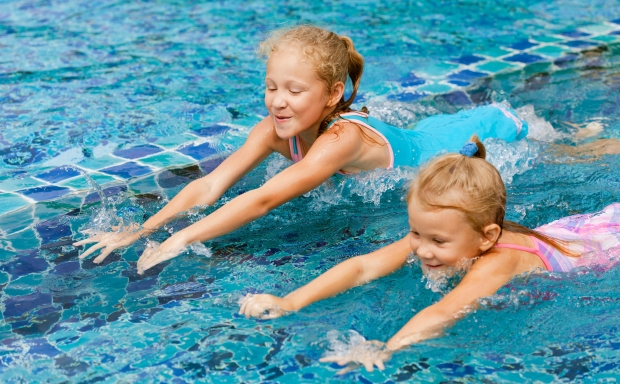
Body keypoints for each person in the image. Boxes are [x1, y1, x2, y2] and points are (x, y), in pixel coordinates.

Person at [74, 25, 528, 272]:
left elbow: (265, 198)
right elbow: (211, 186)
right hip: (422, 134)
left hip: (475, 136)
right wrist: (141, 230)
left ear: (331, 95)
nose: (277, 101)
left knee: (562, 149)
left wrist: (183, 237)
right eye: (271, 87)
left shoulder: (341, 139)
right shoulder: (273, 129)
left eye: (294, 90)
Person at [239, 135, 620, 373]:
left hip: (603, 250)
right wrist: (290, 300)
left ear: (486, 237)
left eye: (437, 242)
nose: (421, 249)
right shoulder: (439, 233)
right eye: (415, 233)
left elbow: (444, 310)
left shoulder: (497, 262)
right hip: (569, 233)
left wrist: (386, 348)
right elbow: (362, 267)